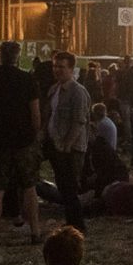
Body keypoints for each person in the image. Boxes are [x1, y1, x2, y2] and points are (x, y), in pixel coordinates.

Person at [0, 41, 42, 246]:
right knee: (29, 186)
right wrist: (34, 134)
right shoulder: (27, 79)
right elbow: (35, 113)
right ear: (18, 56)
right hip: (23, 140)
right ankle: (35, 232)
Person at [42, 50, 90, 232]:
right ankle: (72, 222)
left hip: (71, 148)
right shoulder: (54, 90)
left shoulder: (77, 92)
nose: (57, 70)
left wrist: (67, 145)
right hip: (56, 144)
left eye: (61, 67)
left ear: (71, 68)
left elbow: (79, 121)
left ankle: (78, 225)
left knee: (70, 187)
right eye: (55, 66)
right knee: (63, 186)